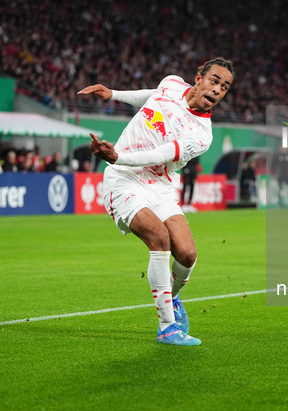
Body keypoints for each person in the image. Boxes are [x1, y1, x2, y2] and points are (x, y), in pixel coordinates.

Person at [78, 57, 234, 345]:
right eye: (215, 80)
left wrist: (118, 155)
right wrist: (113, 94)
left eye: (224, 87)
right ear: (198, 78)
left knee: (187, 254)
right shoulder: (172, 83)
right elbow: (153, 95)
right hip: (123, 179)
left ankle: (171, 298)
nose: (218, 89)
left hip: (159, 186)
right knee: (159, 238)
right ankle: (167, 327)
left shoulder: (201, 135)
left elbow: (162, 154)